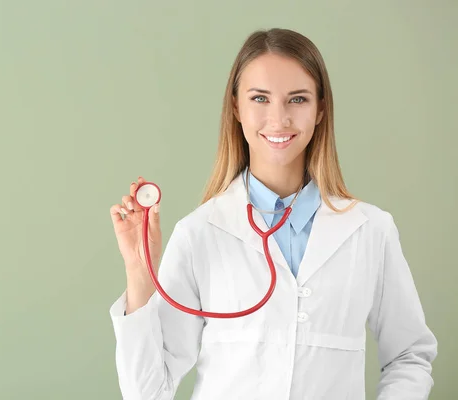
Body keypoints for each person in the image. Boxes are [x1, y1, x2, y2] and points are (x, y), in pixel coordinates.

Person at [108, 28, 437, 399]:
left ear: (320, 109)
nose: (278, 118)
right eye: (260, 98)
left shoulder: (371, 231)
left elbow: (410, 355)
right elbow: (148, 392)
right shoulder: (200, 233)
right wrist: (139, 271)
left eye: (297, 99)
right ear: (236, 107)